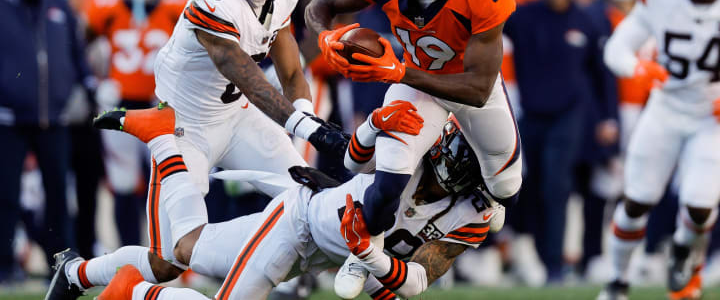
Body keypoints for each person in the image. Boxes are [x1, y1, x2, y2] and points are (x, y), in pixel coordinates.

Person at [44, 0, 348, 300]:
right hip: (185, 126)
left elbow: (290, 70)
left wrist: (307, 116)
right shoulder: (214, 2)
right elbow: (244, 73)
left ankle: (290, 284)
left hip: (240, 117)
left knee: (311, 202)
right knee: (168, 261)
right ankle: (77, 272)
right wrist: (304, 126)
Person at [305, 0, 522, 297]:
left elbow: (476, 88)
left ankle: (483, 202)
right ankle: (365, 249)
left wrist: (400, 71)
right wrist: (326, 36)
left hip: (469, 88)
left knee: (508, 187)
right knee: (388, 180)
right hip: (416, 82)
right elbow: (323, 4)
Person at [97, 102, 500, 300]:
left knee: (185, 248)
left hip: (323, 255)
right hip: (297, 224)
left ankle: (164, 140)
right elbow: (352, 159)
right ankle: (132, 290)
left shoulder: (474, 214)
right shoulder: (411, 150)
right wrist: (375, 124)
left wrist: (366, 257)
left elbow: (413, 282)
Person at [598, 0, 720, 300]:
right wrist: (640, 67)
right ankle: (617, 282)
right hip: (665, 107)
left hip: (710, 115)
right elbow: (617, 47)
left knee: (701, 206)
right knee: (636, 201)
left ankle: (686, 253)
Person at [503, 0, 618, 282]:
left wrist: (608, 118)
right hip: (530, 113)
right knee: (529, 186)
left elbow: (603, 74)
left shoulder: (588, 19)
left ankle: (555, 265)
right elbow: (486, 29)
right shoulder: (523, 16)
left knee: (557, 185)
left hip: (570, 114)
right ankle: (534, 257)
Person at [0, 0, 95, 282]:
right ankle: (4, 267)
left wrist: (90, 85)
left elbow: (77, 53)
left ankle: (62, 270)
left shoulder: (58, 4)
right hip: (7, 119)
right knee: (5, 197)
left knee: (58, 196)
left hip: (54, 118)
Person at [87, 0, 185, 246]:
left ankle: (175, 255)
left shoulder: (175, 8)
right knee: (124, 182)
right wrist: (97, 80)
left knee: (173, 179)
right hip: (121, 105)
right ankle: (129, 251)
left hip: (162, 106)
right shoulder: (108, 9)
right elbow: (83, 46)